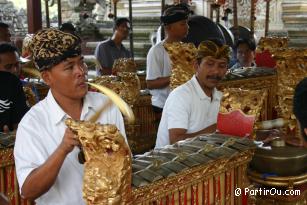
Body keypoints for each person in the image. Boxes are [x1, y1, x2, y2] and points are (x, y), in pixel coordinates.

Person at [14, 29, 127, 205]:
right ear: (47, 77)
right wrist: (63, 150)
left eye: (81, 63)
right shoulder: (32, 124)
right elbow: (28, 191)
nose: (81, 72)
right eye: (69, 67)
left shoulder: (107, 106)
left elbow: (124, 162)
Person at [155, 40, 230, 149]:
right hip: (171, 163)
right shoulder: (180, 96)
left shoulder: (220, 97)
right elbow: (175, 142)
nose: (216, 72)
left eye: (222, 66)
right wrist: (217, 129)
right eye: (210, 64)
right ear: (196, 66)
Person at [146, 3, 190, 121]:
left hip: (185, 103)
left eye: (186, 23)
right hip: (163, 106)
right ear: (169, 27)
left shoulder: (188, 49)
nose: (187, 27)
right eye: (183, 24)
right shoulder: (157, 51)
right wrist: (178, 77)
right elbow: (150, 84)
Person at [0, 43, 29, 132]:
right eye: (8, 67)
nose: (15, 70)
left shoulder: (15, 84)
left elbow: (21, 123)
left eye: (17, 65)